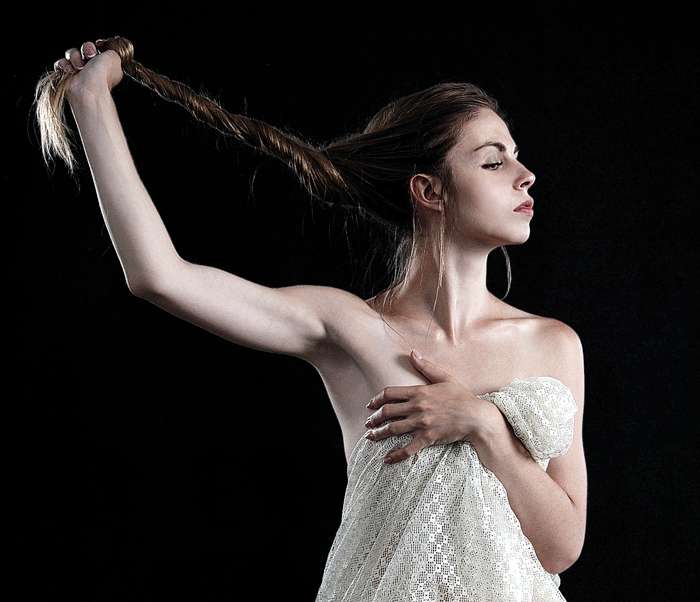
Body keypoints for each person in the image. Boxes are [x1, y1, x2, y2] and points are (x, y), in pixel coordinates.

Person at [39, 38, 587, 601]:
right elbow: (158, 276)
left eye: (515, 156)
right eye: (494, 161)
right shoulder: (349, 326)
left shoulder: (553, 344)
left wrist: (483, 423)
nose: (525, 175)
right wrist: (90, 101)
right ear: (429, 191)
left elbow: (561, 549)